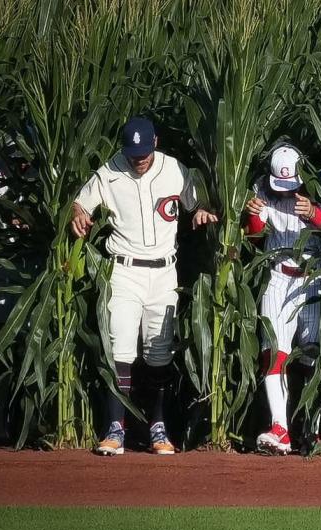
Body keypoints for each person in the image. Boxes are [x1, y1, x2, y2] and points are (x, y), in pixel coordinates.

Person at [71, 117, 219, 455]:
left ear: (155, 142)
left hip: (165, 273)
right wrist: (77, 214)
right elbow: (81, 202)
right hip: (124, 271)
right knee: (120, 350)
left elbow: (199, 202)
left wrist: (200, 213)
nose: (139, 160)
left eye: (144, 152)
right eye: (132, 153)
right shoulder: (109, 172)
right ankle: (114, 429)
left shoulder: (174, 169)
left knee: (159, 355)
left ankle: (158, 428)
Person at [244, 144, 321, 454]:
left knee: (314, 357)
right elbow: (254, 234)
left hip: (314, 280)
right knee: (273, 352)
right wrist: (253, 217)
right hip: (279, 276)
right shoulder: (262, 188)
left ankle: (315, 428)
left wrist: (314, 213)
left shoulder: (320, 184)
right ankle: (280, 429)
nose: (284, 191)